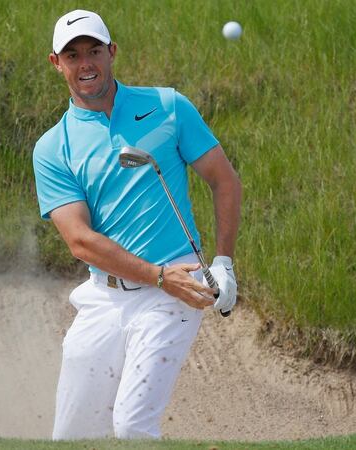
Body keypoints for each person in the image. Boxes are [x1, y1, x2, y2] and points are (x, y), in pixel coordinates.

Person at [32, 9, 242, 440]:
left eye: (94, 50)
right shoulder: (53, 148)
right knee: (71, 437)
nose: (85, 63)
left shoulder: (167, 106)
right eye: (72, 55)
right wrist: (157, 277)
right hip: (106, 297)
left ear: (112, 52)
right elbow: (80, 241)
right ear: (56, 64)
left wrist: (223, 261)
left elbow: (224, 180)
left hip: (176, 285)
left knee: (131, 426)